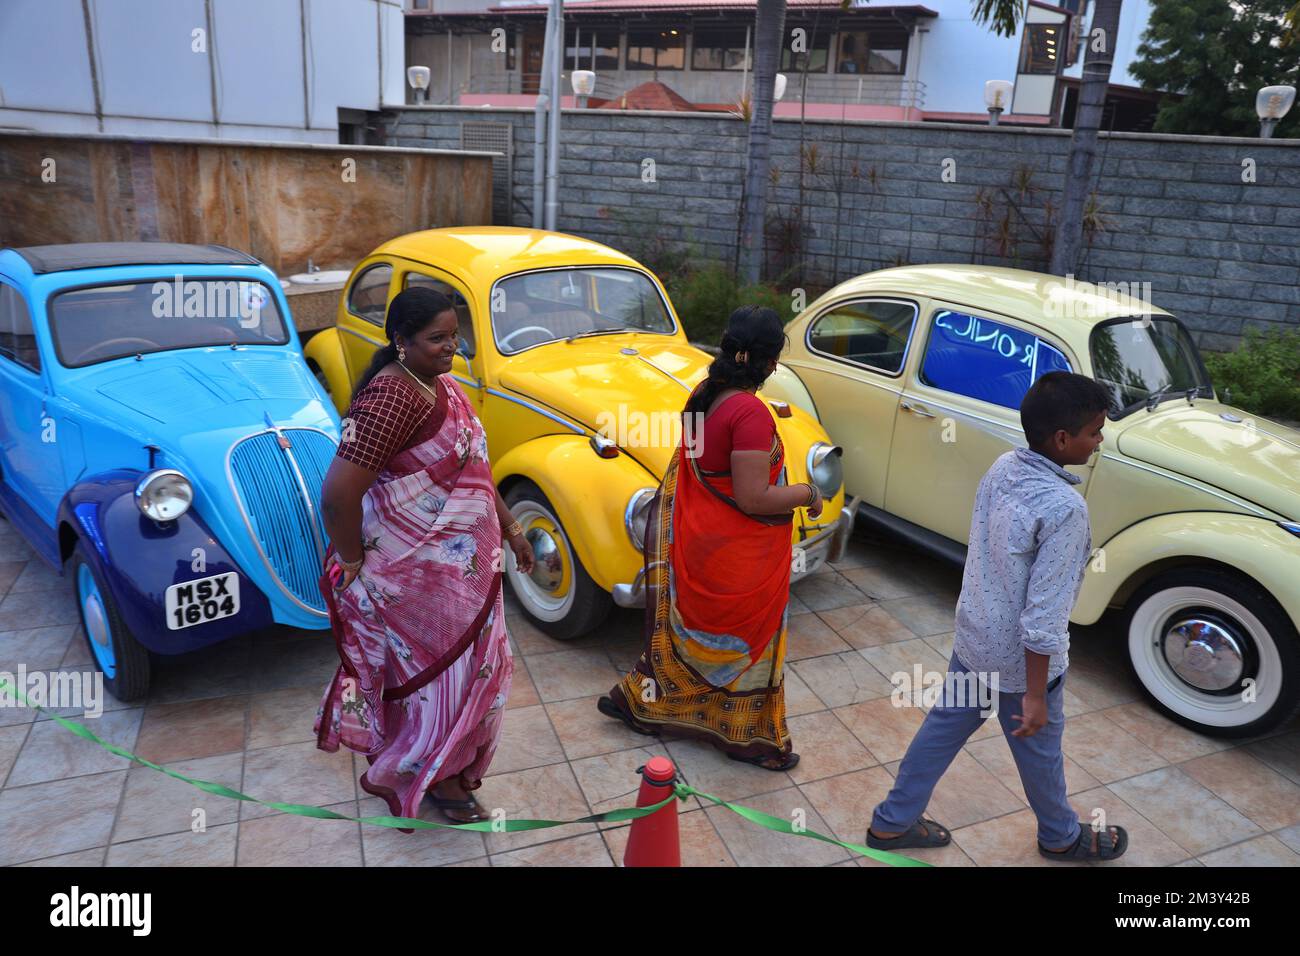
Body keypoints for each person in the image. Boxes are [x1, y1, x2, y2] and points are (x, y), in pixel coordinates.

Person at [865, 371, 1127, 860]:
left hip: (975, 638)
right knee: (1040, 754)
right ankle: (1062, 837)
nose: (1100, 439)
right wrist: (1034, 694)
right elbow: (1044, 618)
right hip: (1020, 666)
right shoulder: (1066, 509)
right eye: (1095, 431)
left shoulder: (1004, 466)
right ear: (1063, 439)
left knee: (942, 729)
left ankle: (890, 823)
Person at [314, 287, 534, 826]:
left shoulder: (442, 385)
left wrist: (510, 528)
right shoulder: (392, 399)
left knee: (476, 667)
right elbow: (338, 495)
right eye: (437, 338)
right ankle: (439, 777)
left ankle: (436, 761)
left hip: (465, 570)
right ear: (401, 341)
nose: (451, 348)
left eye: (454, 335)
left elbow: (475, 469)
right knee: (450, 677)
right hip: (410, 574)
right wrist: (354, 560)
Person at [596, 306, 823, 771]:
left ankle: (643, 702)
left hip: (702, 541)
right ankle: (749, 737)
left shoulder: (703, 394)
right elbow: (754, 497)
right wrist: (807, 492)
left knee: (694, 637)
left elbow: (702, 474)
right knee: (744, 645)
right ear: (767, 362)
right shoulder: (749, 413)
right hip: (742, 557)